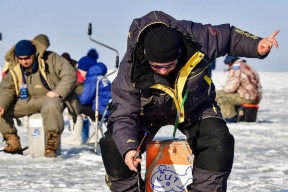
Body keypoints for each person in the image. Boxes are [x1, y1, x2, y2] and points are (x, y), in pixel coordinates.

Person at [99, 11, 279, 192]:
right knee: (114, 145)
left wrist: (256, 45)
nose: (162, 71)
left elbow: (229, 36)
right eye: (156, 66)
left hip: (195, 106)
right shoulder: (130, 69)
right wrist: (129, 149)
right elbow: (123, 115)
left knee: (218, 140)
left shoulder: (197, 38)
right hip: (146, 114)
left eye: (169, 65)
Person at [0, 39, 81, 157]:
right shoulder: (14, 67)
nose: (24, 61)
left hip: (49, 98)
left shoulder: (51, 58)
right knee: (1, 110)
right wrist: (2, 104)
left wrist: (58, 92)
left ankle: (51, 144)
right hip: (26, 101)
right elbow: (7, 89)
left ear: (34, 54)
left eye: (27, 58)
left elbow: (69, 74)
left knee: (51, 104)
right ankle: (13, 142)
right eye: (21, 58)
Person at [63, 49, 112, 146]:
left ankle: (76, 138)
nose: (80, 72)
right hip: (108, 109)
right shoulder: (101, 76)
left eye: (80, 70)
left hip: (100, 110)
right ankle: (95, 137)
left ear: (86, 69)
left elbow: (85, 100)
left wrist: (76, 98)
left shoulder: (91, 78)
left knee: (76, 108)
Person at [216, 56, 262, 123]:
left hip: (247, 97)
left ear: (230, 62)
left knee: (219, 95)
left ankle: (230, 117)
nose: (227, 66)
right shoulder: (245, 65)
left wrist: (223, 89)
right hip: (255, 97)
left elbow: (232, 86)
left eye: (227, 64)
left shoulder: (236, 66)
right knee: (227, 95)